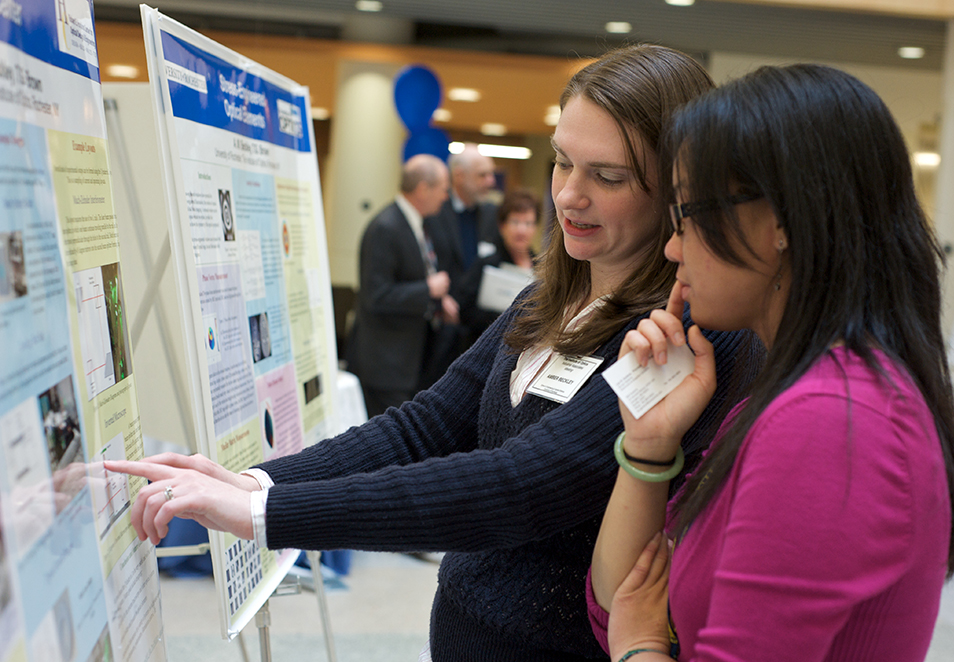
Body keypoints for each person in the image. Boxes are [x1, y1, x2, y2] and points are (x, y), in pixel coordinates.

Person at [106, 44, 764, 662]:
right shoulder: (546, 298)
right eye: (562, 162)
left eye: (608, 177)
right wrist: (257, 481)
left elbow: (515, 487)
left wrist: (265, 515)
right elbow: (421, 427)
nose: (569, 195)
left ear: (675, 193)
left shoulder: (679, 335)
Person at [587, 64, 954, 662]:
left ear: (780, 225)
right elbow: (624, 601)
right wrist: (649, 446)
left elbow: (636, 631)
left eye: (686, 216)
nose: (671, 248)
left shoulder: (829, 418)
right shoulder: (797, 394)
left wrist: (638, 650)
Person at [345, 153, 461, 416]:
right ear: (423, 189)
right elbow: (376, 295)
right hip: (384, 365)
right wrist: (428, 290)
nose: (445, 197)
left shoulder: (415, 223)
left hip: (405, 360)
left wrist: (437, 299)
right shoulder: (386, 228)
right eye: (443, 190)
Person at [453, 188, 539, 345]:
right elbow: (464, 310)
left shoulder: (543, 268)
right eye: (515, 222)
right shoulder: (487, 264)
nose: (522, 230)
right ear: (502, 226)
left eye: (528, 223)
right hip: (487, 346)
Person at [428, 142, 500, 272]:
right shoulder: (434, 212)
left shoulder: (492, 213)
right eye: (482, 175)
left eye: (491, 174)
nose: (491, 181)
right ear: (459, 176)